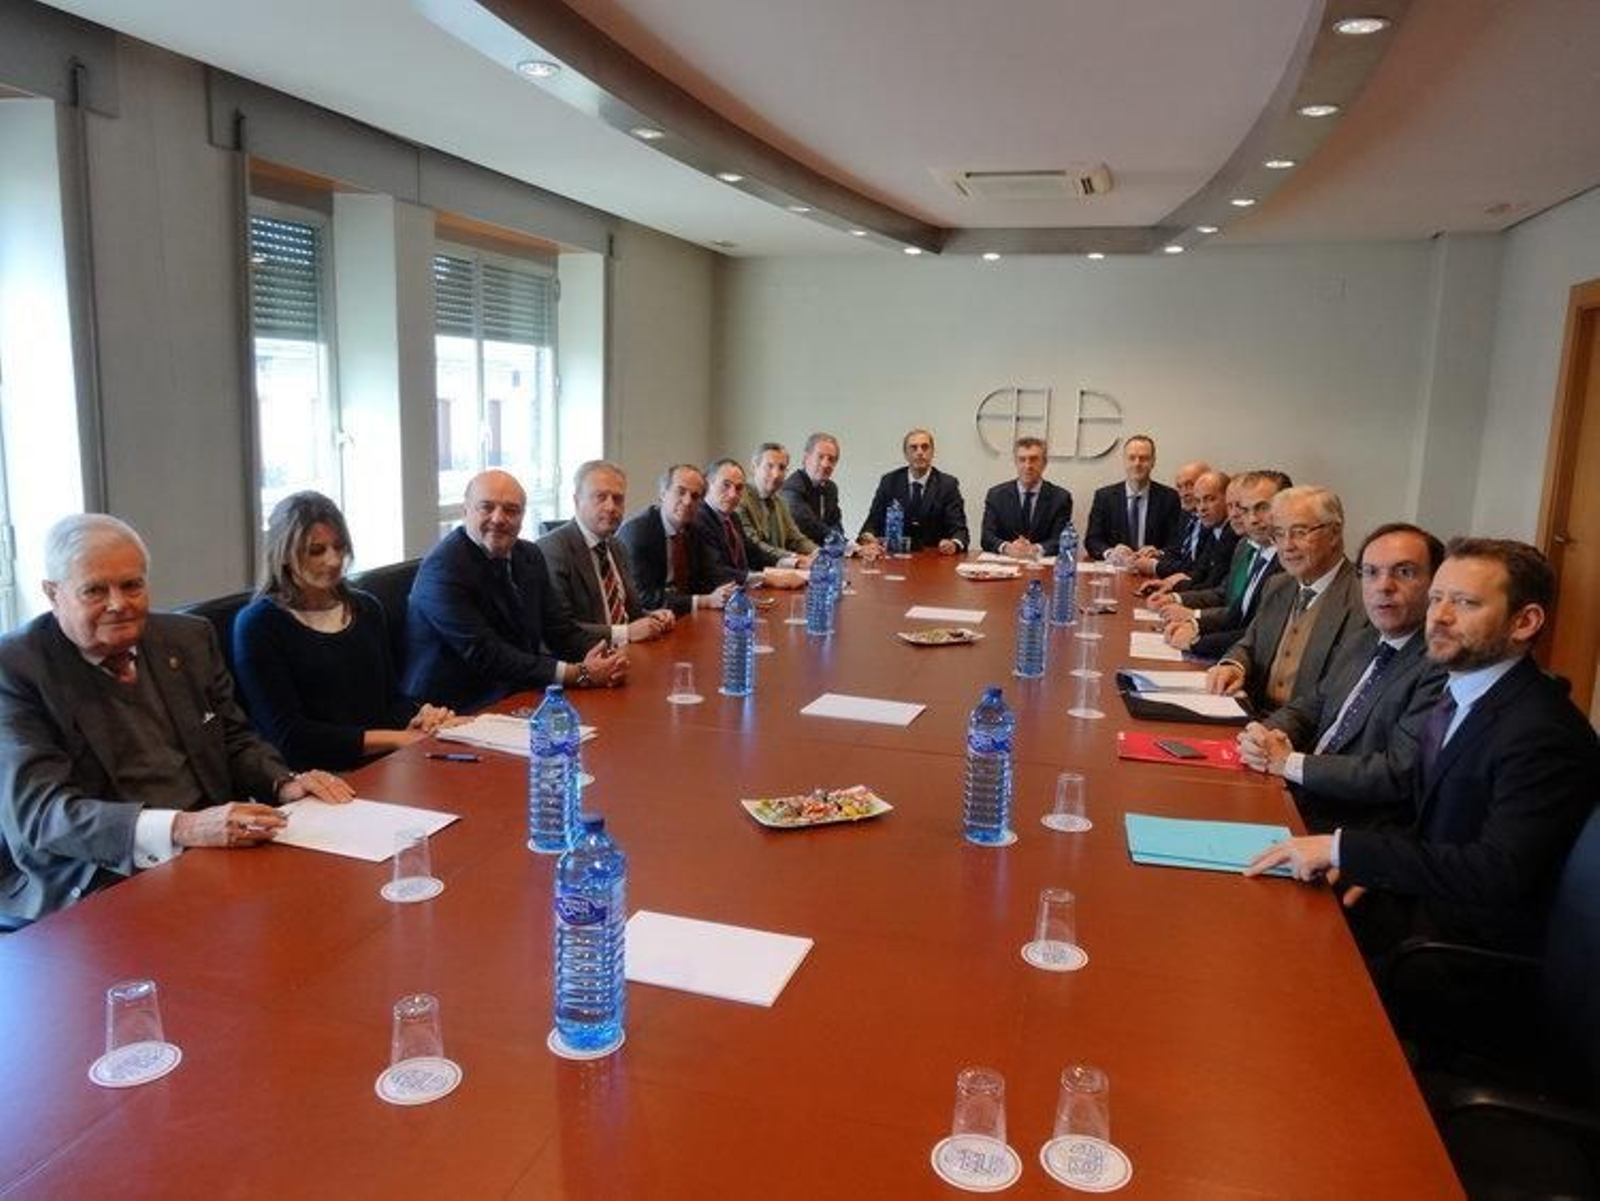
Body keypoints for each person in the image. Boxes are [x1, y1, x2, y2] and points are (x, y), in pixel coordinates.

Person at [1247, 539, 1600, 960]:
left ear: (1524, 622)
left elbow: (1497, 871)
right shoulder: (1466, 692)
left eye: (1466, 603)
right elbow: (1431, 816)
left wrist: (1347, 850)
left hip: (1456, 949)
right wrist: (1375, 864)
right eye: (1436, 599)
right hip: (1415, 898)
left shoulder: (1542, 730)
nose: (1440, 617)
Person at [0, 514, 354, 929]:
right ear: (53, 593)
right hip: (96, 877)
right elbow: (43, 816)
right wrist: (182, 827)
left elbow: (233, 739)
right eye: (95, 590)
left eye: (132, 585)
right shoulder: (17, 668)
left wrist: (283, 782)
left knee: (329, 914)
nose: (119, 603)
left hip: (213, 852)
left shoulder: (186, 638)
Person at [1237, 523, 1446, 832]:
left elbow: (1396, 772)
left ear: (1435, 586)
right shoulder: (1362, 640)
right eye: (1371, 572)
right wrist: (1265, 734)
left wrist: (1291, 763)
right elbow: (1313, 705)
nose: (1383, 586)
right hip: (1297, 792)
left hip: (1346, 826)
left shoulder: (1439, 665)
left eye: (1404, 572)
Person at [233, 492, 457, 771]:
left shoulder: (366, 608)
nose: (333, 560)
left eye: (339, 547)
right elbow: (290, 737)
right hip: (314, 777)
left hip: (383, 763)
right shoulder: (259, 625)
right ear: (284, 555)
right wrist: (396, 739)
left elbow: (390, 701)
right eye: (317, 550)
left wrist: (422, 717)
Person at [405, 469, 627, 713]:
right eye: (486, 507)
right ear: (465, 511)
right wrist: (579, 673)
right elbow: (486, 654)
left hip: (520, 694)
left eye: (511, 510)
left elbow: (559, 630)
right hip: (453, 709)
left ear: (522, 517)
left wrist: (607, 660)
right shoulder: (443, 569)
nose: (498, 518)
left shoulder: (528, 555)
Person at [1205, 485, 1368, 712]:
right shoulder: (1277, 585)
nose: (1287, 546)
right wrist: (1234, 666)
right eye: (1279, 534)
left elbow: (1336, 695)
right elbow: (1250, 644)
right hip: (1249, 716)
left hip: (1301, 736)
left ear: (1334, 533)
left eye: (1300, 532)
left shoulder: (1363, 602)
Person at [537, 461, 673, 645]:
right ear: (577, 501)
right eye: (600, 497)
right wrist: (626, 633)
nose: (611, 507)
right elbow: (562, 629)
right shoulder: (551, 550)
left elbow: (627, 612)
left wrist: (651, 618)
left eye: (618, 499)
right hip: (585, 663)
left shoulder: (617, 546)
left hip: (628, 655)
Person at [1158, 470, 1288, 659]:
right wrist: (1194, 622)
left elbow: (1260, 634)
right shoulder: (1252, 548)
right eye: (1245, 509)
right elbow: (1237, 612)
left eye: (1262, 507)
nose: (1251, 519)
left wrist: (1196, 641)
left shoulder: (1287, 565)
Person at [618, 464, 738, 613]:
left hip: (683, 614)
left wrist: (730, 592)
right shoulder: (638, 533)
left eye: (695, 496)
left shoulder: (694, 529)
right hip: (647, 618)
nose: (688, 502)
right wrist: (704, 601)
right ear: (662, 493)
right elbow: (643, 597)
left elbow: (708, 573)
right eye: (681, 492)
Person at [695, 458, 806, 590]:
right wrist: (766, 578)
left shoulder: (732, 517)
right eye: (726, 485)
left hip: (740, 594)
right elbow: (715, 572)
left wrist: (795, 563)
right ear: (708, 483)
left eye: (739, 488)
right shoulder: (699, 518)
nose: (732, 494)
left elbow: (754, 553)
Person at [858, 428, 968, 554]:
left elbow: (960, 530)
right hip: (894, 559)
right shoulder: (889, 481)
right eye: (914, 448)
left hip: (933, 559)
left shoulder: (947, 485)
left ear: (932, 452)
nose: (920, 452)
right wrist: (868, 537)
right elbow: (872, 521)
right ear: (905, 453)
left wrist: (954, 544)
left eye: (925, 447)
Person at [781, 432, 884, 558]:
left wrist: (850, 547)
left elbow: (836, 526)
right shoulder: (792, 487)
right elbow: (811, 527)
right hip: (798, 558)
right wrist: (853, 548)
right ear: (806, 458)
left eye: (832, 459)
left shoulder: (831, 488)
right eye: (820, 457)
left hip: (828, 557)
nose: (826, 464)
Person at [1083, 434, 1184, 560]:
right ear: (1124, 461)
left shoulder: (1169, 498)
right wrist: (1110, 552)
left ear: (1153, 462)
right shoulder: (1104, 497)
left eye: (1144, 458)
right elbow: (1092, 540)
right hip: (1116, 569)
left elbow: (1177, 542)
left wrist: (1159, 553)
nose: (1137, 463)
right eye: (1132, 458)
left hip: (1153, 572)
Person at [1137, 469, 1235, 592]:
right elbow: (1198, 571)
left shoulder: (1232, 534)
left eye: (1209, 499)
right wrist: (1168, 583)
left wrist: (1175, 591)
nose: (1202, 508)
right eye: (1198, 501)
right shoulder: (1214, 529)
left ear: (1228, 499)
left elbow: (1212, 586)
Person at [979, 436, 1073, 555]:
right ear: (1016, 463)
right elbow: (987, 537)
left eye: (1033, 459)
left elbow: (1060, 539)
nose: (1027, 466)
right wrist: (1007, 547)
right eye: (1022, 459)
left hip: (1041, 566)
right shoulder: (996, 495)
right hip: (1005, 564)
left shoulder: (1060, 498)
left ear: (1044, 463)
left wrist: (1035, 549)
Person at [738, 443, 818, 568]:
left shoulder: (780, 500)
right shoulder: (739, 499)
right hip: (754, 574)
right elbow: (754, 546)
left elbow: (796, 539)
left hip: (781, 571)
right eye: (769, 466)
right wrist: (795, 559)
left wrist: (819, 553)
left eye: (782, 468)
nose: (776, 474)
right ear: (754, 467)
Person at [1132, 459, 1210, 578]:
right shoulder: (1186, 515)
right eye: (1179, 487)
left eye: (1189, 485)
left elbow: (1195, 568)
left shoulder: (1212, 521)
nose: (1183, 493)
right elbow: (1178, 549)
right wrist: (1158, 553)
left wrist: (1155, 566)